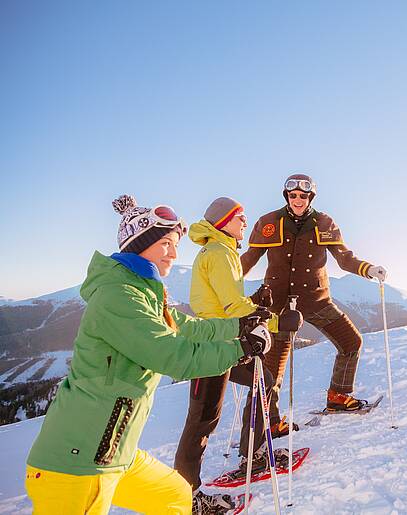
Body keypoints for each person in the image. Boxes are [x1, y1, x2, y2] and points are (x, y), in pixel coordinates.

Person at [24, 195, 286, 515]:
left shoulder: (143, 289)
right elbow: (173, 355)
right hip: (78, 462)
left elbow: (185, 327)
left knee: (174, 495)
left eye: (175, 244)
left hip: (116, 453)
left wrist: (239, 326)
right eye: (165, 243)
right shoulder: (118, 296)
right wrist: (241, 348)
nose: (174, 254)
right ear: (139, 243)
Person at [241, 174, 388, 425]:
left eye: (303, 195)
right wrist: (225, 282)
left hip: (315, 299)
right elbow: (249, 258)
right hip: (278, 306)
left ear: (311, 197)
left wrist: (368, 269)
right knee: (273, 366)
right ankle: (271, 421)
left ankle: (339, 396)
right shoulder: (269, 222)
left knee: (350, 341)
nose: (297, 199)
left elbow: (344, 258)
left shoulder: (324, 222)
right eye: (293, 195)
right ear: (287, 196)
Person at [174, 197, 285, 510]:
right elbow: (231, 307)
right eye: (240, 218)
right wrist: (275, 321)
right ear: (223, 222)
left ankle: (256, 452)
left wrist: (256, 301)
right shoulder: (220, 253)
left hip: (223, 341)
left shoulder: (220, 251)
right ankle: (187, 497)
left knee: (262, 379)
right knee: (202, 419)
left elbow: (229, 300)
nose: (245, 223)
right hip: (211, 345)